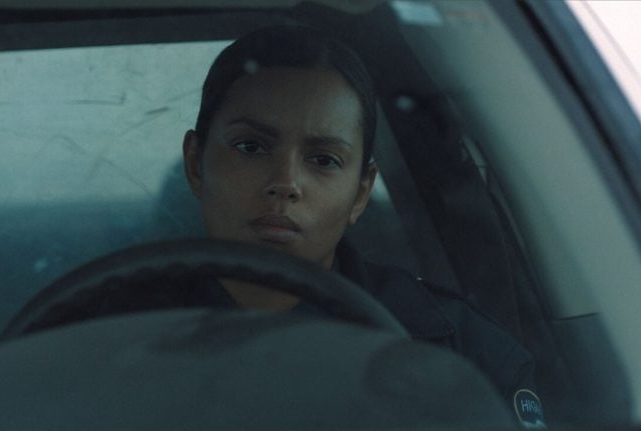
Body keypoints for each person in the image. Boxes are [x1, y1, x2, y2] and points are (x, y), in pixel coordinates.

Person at [179, 25, 545, 428]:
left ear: (360, 192)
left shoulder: (458, 349)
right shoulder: (123, 320)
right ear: (196, 164)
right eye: (250, 147)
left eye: (324, 160)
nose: (285, 183)